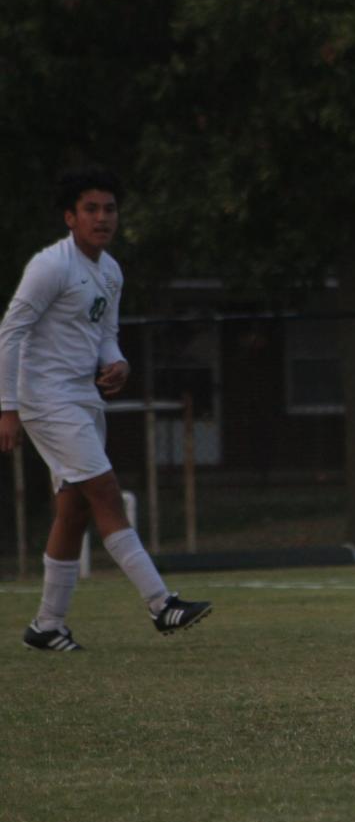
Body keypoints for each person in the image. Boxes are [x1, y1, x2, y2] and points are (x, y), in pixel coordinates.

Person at [2, 169, 212, 651]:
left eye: (109, 209)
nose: (102, 218)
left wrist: (117, 363)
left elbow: (105, 335)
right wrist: (7, 408)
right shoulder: (50, 266)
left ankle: (47, 626)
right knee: (106, 492)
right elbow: (10, 333)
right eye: (91, 209)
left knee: (73, 511)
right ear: (70, 217)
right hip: (47, 398)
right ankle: (162, 604)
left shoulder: (110, 269)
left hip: (82, 397)